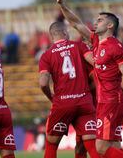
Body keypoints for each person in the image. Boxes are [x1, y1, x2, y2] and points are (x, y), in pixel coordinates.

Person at [52, 0, 123, 158]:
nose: (96, 22)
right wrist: (62, 5)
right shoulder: (96, 40)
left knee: (100, 148)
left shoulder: (116, 47)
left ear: (110, 25)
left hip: (112, 101)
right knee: (114, 146)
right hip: (105, 101)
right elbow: (75, 23)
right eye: (97, 19)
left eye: (101, 20)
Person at [39, 21, 99, 158]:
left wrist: (52, 98)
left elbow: (43, 83)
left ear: (51, 36)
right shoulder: (79, 46)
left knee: (51, 145)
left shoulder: (46, 55)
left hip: (62, 104)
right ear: (65, 33)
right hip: (84, 102)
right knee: (92, 147)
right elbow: (96, 64)